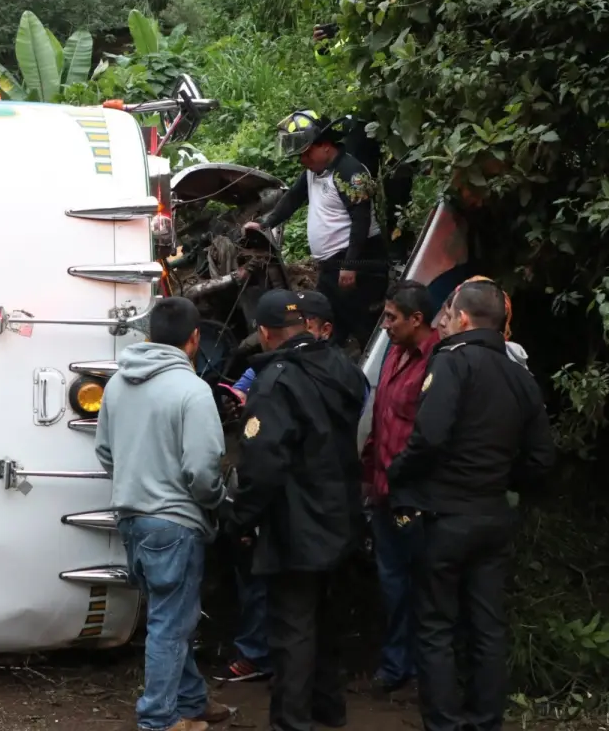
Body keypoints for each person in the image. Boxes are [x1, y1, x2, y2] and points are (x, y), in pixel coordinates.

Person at [386, 280, 555, 731]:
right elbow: (541, 459)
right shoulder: (521, 376)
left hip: (444, 516)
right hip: (493, 515)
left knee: (436, 627)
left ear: (461, 318)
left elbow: (430, 437)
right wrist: (500, 477)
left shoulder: (453, 363)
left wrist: (398, 471)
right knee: (488, 626)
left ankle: (443, 723)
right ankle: (485, 722)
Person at [224, 289, 369, 731]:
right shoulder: (343, 368)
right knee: (327, 620)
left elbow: (264, 462)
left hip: (297, 520)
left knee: (293, 627)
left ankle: (291, 720)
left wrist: (240, 518)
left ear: (266, 333)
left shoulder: (277, 380)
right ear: (305, 325)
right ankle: (329, 709)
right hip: (342, 514)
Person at [94, 296, 234, 731]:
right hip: (175, 522)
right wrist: (214, 501)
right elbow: (204, 469)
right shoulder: (192, 390)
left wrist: (135, 481)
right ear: (194, 340)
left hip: (131, 517)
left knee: (166, 616)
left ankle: (191, 702)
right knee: (171, 625)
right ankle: (158, 719)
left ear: (151, 335)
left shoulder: (117, 384)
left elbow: (104, 451)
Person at [243, 110, 389, 349]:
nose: (304, 160)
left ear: (326, 146)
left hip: (358, 261)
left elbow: (361, 221)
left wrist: (350, 264)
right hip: (332, 265)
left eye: (307, 153)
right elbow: (292, 199)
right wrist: (265, 224)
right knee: (329, 321)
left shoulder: (350, 173)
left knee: (361, 322)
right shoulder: (315, 171)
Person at [361, 280, 439, 695]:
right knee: (392, 584)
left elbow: (431, 437)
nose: (385, 325)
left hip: (420, 497)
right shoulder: (393, 354)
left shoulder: (439, 362)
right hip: (385, 493)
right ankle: (396, 666)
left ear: (417, 320)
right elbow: (381, 419)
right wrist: (370, 478)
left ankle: (430, 671)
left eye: (392, 318)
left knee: (427, 585)